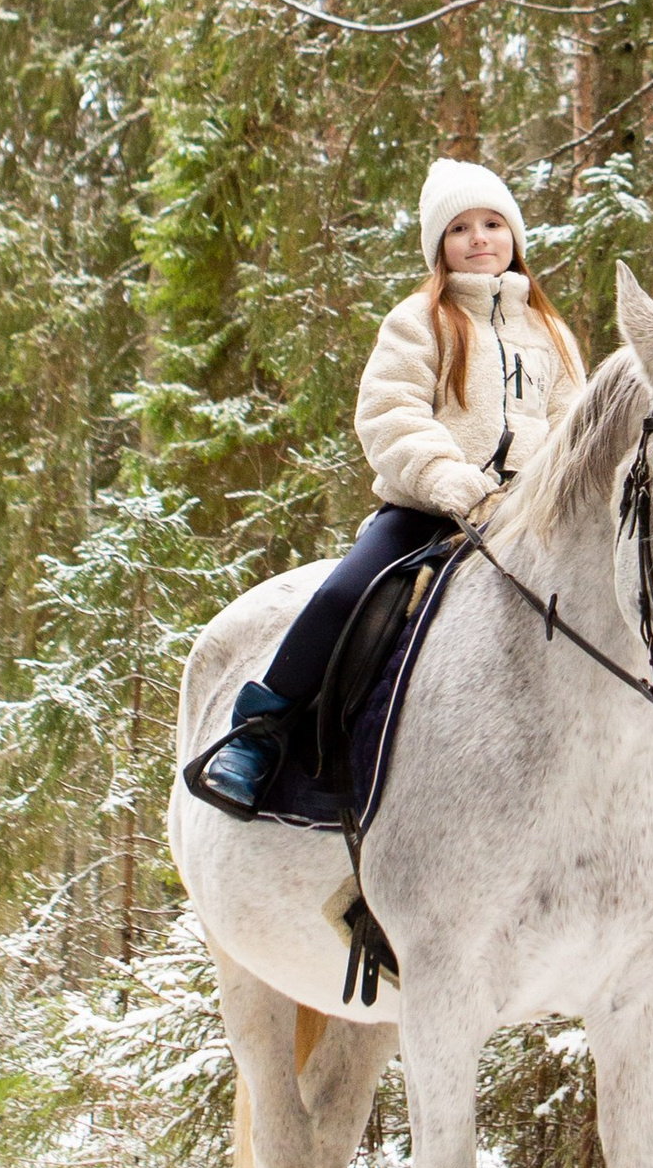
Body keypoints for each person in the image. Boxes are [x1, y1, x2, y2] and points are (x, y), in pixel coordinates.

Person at [189, 160, 585, 817]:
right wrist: (445, 478)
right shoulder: (419, 321)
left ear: (514, 234)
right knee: (349, 592)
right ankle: (260, 734)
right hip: (429, 508)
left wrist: (551, 494)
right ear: (439, 246)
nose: (479, 238)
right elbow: (391, 413)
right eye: (460, 228)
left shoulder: (550, 335)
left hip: (528, 517)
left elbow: (575, 428)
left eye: (492, 223)